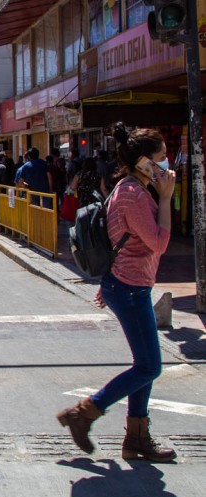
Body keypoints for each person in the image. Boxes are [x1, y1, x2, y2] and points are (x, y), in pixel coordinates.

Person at [57, 123, 177, 462]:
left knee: (145, 364)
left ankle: (137, 438)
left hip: (127, 285)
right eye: (160, 159)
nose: (165, 165)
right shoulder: (133, 194)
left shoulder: (131, 188)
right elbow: (158, 242)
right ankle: (84, 413)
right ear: (143, 162)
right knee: (150, 367)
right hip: (129, 289)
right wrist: (166, 199)